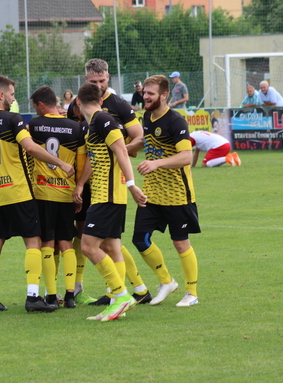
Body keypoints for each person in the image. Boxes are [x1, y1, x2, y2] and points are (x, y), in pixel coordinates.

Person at [0, 75, 74, 314]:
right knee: (34, 242)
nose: (12, 99)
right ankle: (32, 297)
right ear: (1, 95)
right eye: (11, 94)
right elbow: (30, 147)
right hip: (18, 191)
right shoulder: (12, 118)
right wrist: (60, 163)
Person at [71, 58, 151, 306]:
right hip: (98, 190)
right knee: (110, 245)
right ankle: (126, 294)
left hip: (110, 190)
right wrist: (81, 183)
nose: (99, 85)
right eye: (94, 82)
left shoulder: (108, 116)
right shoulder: (91, 120)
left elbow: (130, 146)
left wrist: (129, 180)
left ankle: (119, 294)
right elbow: (92, 155)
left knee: (89, 244)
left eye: (102, 81)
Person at [133, 74, 201, 307]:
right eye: (144, 93)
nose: (145, 97)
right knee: (140, 239)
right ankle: (166, 281)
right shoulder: (146, 117)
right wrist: (123, 148)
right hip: (152, 192)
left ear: (164, 95)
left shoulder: (176, 121)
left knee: (180, 242)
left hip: (177, 193)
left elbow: (186, 157)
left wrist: (155, 163)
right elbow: (147, 141)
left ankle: (191, 293)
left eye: (150, 94)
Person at [29, 85, 86, 309]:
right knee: (66, 242)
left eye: (36, 107)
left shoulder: (34, 125)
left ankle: (51, 295)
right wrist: (78, 189)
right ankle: (70, 295)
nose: (36, 111)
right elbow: (81, 165)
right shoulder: (75, 127)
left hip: (42, 193)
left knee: (47, 242)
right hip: (66, 192)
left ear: (42, 105)